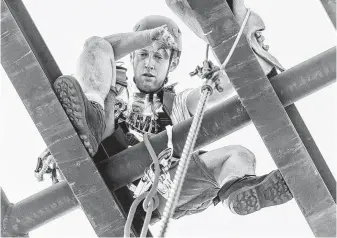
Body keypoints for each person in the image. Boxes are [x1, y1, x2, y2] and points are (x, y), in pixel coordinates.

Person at [43, 0, 292, 220]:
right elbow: (98, 48)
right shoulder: (116, 97)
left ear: (171, 63)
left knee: (239, 155)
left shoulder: (179, 104)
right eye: (143, 55)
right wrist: (148, 37)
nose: (150, 64)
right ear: (132, 57)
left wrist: (241, 56)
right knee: (95, 51)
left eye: (159, 57)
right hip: (107, 156)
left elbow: (222, 88)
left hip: (161, 190)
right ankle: (86, 124)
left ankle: (238, 191)